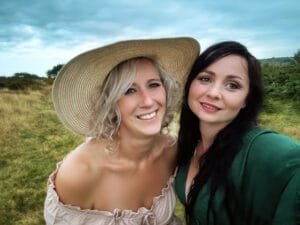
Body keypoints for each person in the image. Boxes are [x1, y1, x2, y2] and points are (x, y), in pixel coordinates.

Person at [44, 37, 200, 225]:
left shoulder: (172, 150)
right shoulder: (80, 172)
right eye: (129, 90)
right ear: (109, 103)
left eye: (153, 85)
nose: (148, 101)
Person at [175, 41, 300, 225]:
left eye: (232, 85)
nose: (214, 93)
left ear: (246, 100)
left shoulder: (266, 151)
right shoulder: (188, 146)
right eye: (205, 79)